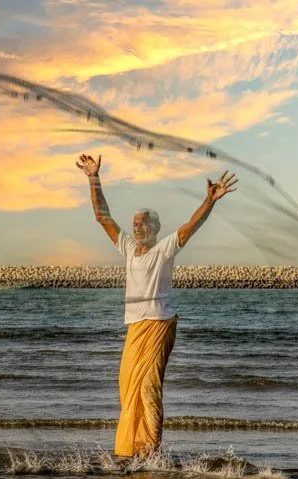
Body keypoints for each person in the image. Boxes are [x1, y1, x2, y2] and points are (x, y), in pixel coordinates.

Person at [76, 153, 237, 459]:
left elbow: (190, 226)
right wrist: (93, 177)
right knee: (128, 389)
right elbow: (102, 216)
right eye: (135, 224)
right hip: (135, 327)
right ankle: (132, 450)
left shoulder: (163, 250)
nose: (137, 228)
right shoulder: (127, 248)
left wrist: (211, 200)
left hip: (159, 324)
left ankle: (152, 452)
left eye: (143, 224)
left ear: (154, 229)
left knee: (149, 389)